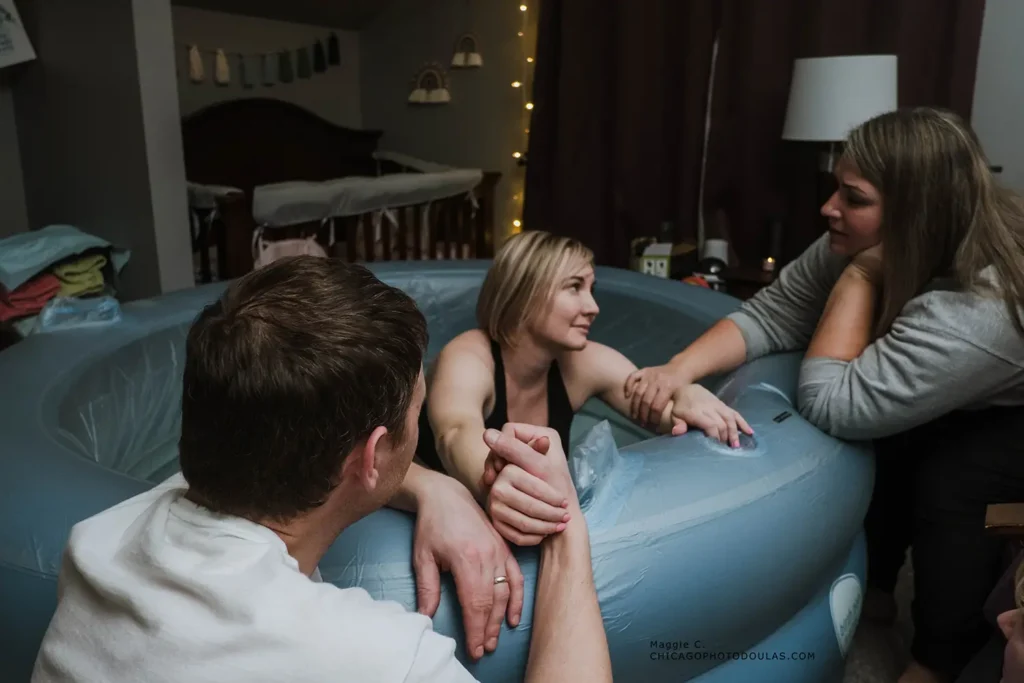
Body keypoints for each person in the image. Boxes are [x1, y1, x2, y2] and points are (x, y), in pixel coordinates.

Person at [31, 256, 611, 683]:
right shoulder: (375, 659)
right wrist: (566, 533)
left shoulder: (99, 541)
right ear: (372, 454)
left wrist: (438, 488)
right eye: (416, 411)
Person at [625, 107, 1024, 683]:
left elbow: (833, 405)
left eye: (853, 197)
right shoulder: (870, 237)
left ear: (915, 216)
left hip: (1013, 412)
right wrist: (676, 369)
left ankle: (938, 659)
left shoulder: (980, 310)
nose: (828, 208)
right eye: (837, 187)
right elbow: (777, 313)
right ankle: (877, 592)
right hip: (961, 373)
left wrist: (860, 276)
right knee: (892, 442)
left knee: (953, 479)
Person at [416, 230, 750, 546]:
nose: (592, 307)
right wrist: (498, 490)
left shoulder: (582, 363)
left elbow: (659, 407)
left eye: (590, 289)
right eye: (574, 287)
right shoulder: (467, 356)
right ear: (524, 292)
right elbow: (456, 433)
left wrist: (686, 394)